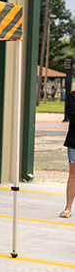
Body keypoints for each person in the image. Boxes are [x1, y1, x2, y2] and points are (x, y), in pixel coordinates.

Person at [60, 90, 75, 218]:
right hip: (74, 142)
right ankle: (68, 207)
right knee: (73, 174)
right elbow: (73, 116)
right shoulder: (72, 96)